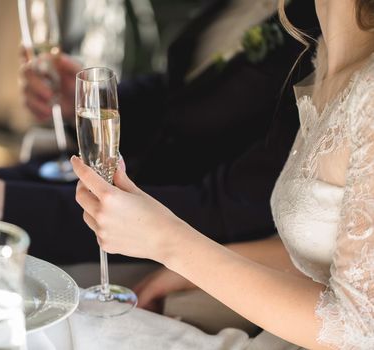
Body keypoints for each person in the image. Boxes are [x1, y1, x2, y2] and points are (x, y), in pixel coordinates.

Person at [0, 0, 318, 264]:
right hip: (120, 172)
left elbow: (226, 209)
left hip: (160, 229)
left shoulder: (319, 38)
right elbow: (180, 94)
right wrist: (90, 97)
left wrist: (6, 200)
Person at [71, 0, 374, 347]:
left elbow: (359, 329)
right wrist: (185, 270)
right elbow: (325, 253)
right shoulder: (323, 57)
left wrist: (169, 242)